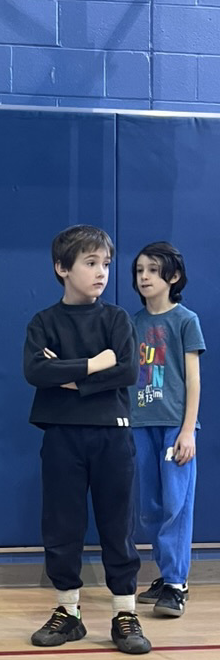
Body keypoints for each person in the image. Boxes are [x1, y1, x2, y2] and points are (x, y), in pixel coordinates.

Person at [24, 225, 151, 655]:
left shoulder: (116, 319)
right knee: (62, 524)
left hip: (112, 435)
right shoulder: (44, 322)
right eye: (90, 263)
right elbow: (36, 371)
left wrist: (71, 378)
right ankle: (68, 611)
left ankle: (124, 613)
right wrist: (95, 364)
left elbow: (127, 370)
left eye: (106, 264)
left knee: (118, 525)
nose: (101, 273)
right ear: (62, 268)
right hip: (61, 434)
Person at [130, 242, 205, 618]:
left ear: (173, 276)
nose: (144, 277)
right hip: (140, 425)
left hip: (174, 427)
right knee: (150, 508)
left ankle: (177, 584)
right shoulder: (133, 323)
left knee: (176, 505)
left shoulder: (185, 320)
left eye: (153, 270)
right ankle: (165, 575)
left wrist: (187, 430)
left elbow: (193, 380)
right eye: (140, 270)